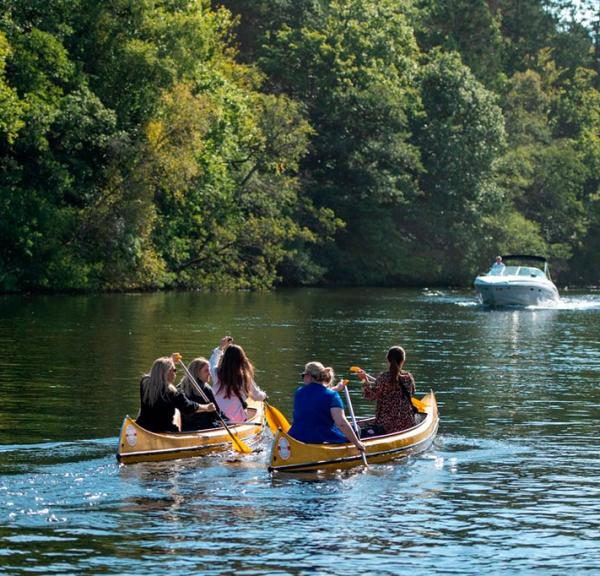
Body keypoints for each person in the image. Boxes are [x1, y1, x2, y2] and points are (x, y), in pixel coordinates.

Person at [288, 361, 365, 452]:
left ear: (309, 376)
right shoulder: (332, 396)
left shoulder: (299, 392)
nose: (303, 378)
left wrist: (336, 389)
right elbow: (341, 423)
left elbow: (316, 395)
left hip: (295, 437)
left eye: (303, 375)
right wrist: (357, 443)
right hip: (320, 438)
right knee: (356, 429)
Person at [136, 355, 216, 433]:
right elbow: (188, 407)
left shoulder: (144, 383)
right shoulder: (173, 392)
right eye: (174, 370)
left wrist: (171, 360)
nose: (175, 373)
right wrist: (206, 407)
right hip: (163, 430)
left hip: (143, 426)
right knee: (177, 411)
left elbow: (156, 371)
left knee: (176, 410)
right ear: (167, 372)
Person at [356, 346, 416, 436]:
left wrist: (364, 380)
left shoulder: (383, 378)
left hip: (386, 426)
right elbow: (412, 392)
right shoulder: (409, 378)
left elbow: (369, 395)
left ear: (388, 360)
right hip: (406, 424)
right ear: (403, 360)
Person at [209, 336, 267, 423]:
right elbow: (256, 396)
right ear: (241, 360)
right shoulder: (244, 377)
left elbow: (212, 362)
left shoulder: (216, 373)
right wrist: (264, 395)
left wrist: (220, 347)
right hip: (236, 421)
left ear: (224, 358)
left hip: (217, 419)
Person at [176, 357, 222, 431]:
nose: (210, 373)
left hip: (184, 428)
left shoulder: (178, 388)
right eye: (206, 371)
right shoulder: (206, 389)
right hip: (205, 427)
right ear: (197, 372)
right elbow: (216, 414)